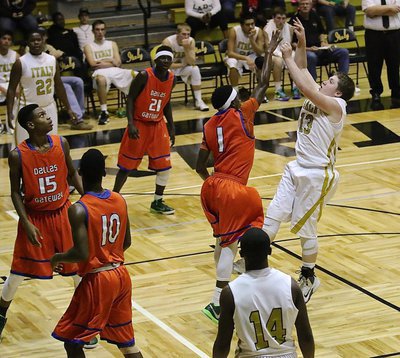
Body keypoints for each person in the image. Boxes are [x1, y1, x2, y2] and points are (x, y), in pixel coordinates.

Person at [263, 20, 355, 302]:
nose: (324, 82)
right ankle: (255, 261)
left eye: (329, 82)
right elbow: (303, 71)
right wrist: (301, 42)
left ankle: (309, 276)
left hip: (318, 175)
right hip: (296, 167)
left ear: (337, 92)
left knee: (307, 228)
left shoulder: (336, 106)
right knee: (273, 213)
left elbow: (305, 87)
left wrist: (287, 57)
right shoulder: (323, 94)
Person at [196, 31, 280, 323]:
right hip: (231, 188)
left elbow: (198, 164)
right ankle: (217, 301)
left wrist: (213, 181)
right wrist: (268, 53)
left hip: (212, 185)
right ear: (233, 102)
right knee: (234, 242)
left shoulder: (208, 125)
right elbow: (264, 84)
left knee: (223, 241)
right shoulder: (242, 114)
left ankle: (232, 282)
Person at [0, 104, 84, 339]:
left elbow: (72, 172)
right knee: (17, 273)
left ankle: (82, 319)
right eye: (42, 116)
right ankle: (0, 315)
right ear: (30, 125)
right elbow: (16, 192)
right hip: (36, 218)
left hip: (63, 213)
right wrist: (25, 223)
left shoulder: (61, 143)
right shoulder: (18, 154)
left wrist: (87, 199)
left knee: (78, 270)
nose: (48, 117)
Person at [50, 148, 143, 358]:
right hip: (121, 275)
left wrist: (58, 257)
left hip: (98, 280)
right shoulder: (119, 199)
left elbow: (81, 253)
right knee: (126, 344)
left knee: (72, 341)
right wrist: (109, 253)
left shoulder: (79, 209)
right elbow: (126, 242)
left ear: (80, 172)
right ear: (104, 173)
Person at [213, 228, 315, 358]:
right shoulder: (291, 286)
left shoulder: (230, 292)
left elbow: (223, 343)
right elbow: (306, 336)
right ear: (270, 251)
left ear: (242, 253)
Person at [113, 46, 176, 215]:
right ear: (155, 60)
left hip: (157, 125)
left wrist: (171, 125)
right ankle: (113, 199)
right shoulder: (144, 76)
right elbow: (131, 98)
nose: (165, 61)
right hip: (139, 124)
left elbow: (167, 102)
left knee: (164, 167)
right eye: (162, 58)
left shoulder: (172, 78)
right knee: (126, 167)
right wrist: (131, 123)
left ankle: (157, 202)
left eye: (168, 59)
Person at [6, 31, 79, 144]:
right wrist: (10, 111)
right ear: (28, 43)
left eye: (38, 40)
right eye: (32, 40)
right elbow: (11, 89)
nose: (36, 43)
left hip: (48, 107)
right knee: (23, 147)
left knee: (51, 144)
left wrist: (69, 108)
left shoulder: (52, 60)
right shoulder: (20, 63)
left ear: (43, 41)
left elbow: (59, 86)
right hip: (27, 110)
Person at [25, 27, 93, 130]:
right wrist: (53, 56)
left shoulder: (49, 47)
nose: (38, 41)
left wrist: (55, 55)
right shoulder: (29, 49)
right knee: (66, 87)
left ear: (45, 38)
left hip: (53, 77)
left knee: (78, 81)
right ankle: (77, 120)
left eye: (41, 37)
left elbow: (61, 54)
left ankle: (80, 112)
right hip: (40, 81)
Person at [84, 20, 136, 125]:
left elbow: (118, 62)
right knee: (101, 80)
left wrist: (107, 62)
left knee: (136, 75)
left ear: (105, 31)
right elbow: (93, 64)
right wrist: (111, 60)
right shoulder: (88, 46)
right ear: (93, 31)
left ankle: (136, 106)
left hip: (115, 70)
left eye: (102, 29)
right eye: (97, 29)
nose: (100, 32)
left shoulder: (112, 44)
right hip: (98, 72)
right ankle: (104, 111)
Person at [289, 0, 350, 81]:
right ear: (298, 6)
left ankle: (342, 81)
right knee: (311, 56)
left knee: (343, 52)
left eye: (307, 4)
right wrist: (308, 49)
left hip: (320, 49)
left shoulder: (315, 15)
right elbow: (293, 44)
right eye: (302, 4)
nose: (305, 6)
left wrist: (322, 42)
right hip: (305, 52)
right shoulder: (294, 21)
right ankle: (312, 85)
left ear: (311, 5)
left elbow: (321, 32)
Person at [162, 23, 209, 111]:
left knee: (195, 69)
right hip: (168, 69)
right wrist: (183, 64)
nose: (186, 37)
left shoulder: (191, 41)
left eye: (188, 34)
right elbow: (166, 64)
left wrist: (186, 48)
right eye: (183, 34)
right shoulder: (167, 42)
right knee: (167, 72)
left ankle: (199, 101)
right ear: (177, 34)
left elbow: (192, 63)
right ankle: (163, 102)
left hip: (181, 67)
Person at [362, 0, 400, 110]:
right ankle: (376, 93)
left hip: (394, 33)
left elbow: (396, 9)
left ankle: (396, 92)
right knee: (374, 65)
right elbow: (369, 11)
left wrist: (378, 10)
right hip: (373, 34)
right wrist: (389, 8)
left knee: (394, 64)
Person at [264, 7, 301, 100]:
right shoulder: (266, 28)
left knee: (295, 57)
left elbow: (289, 44)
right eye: (278, 18)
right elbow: (269, 47)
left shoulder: (289, 28)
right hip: (271, 54)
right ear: (273, 18)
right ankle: (278, 90)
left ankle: (295, 87)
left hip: (284, 51)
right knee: (279, 61)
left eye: (283, 18)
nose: (281, 21)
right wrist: (283, 55)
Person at [225, 13, 266, 89]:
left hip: (251, 56)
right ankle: (235, 92)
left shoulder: (258, 31)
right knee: (232, 64)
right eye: (247, 25)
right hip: (236, 56)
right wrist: (246, 58)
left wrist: (252, 39)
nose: (251, 27)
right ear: (241, 25)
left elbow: (260, 52)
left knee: (260, 62)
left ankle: (261, 90)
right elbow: (230, 53)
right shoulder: (234, 31)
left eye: (252, 24)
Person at [0, 30, 19, 134]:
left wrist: (17, 87)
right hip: (0, 86)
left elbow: (22, 74)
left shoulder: (15, 55)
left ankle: (11, 125)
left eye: (9, 39)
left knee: (17, 95)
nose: (6, 41)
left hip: (11, 84)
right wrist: (3, 90)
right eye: (4, 38)